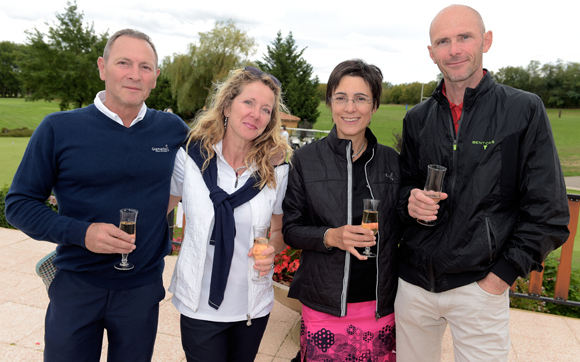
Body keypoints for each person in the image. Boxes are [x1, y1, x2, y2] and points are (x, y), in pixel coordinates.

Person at [395, 5, 570, 361]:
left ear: (486, 41)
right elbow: (403, 186)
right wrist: (409, 200)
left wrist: (499, 279)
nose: (454, 49)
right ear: (431, 53)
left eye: (464, 37)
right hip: (414, 286)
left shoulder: (524, 109)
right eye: (443, 41)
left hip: (480, 286)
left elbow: (549, 210)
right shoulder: (417, 118)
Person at [5, 29, 189, 362]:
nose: (135, 74)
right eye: (124, 63)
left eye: (145, 66)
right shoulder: (58, 128)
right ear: (103, 68)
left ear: (155, 77)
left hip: (141, 288)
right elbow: (18, 204)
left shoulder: (172, 129)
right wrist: (82, 233)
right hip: (77, 285)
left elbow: (217, 158)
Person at [166, 66, 291, 362]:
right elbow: (158, 210)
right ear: (226, 106)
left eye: (265, 109)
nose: (255, 114)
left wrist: (272, 248)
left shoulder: (276, 170)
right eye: (248, 102)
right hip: (198, 307)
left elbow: (280, 231)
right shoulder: (190, 158)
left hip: (252, 307)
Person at [283, 59, 400, 362]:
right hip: (324, 304)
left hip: (380, 306)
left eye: (361, 98)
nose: (350, 108)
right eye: (341, 98)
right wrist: (331, 236)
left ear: (374, 107)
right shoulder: (305, 160)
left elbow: (406, 225)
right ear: (330, 103)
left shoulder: (392, 162)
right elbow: (291, 229)